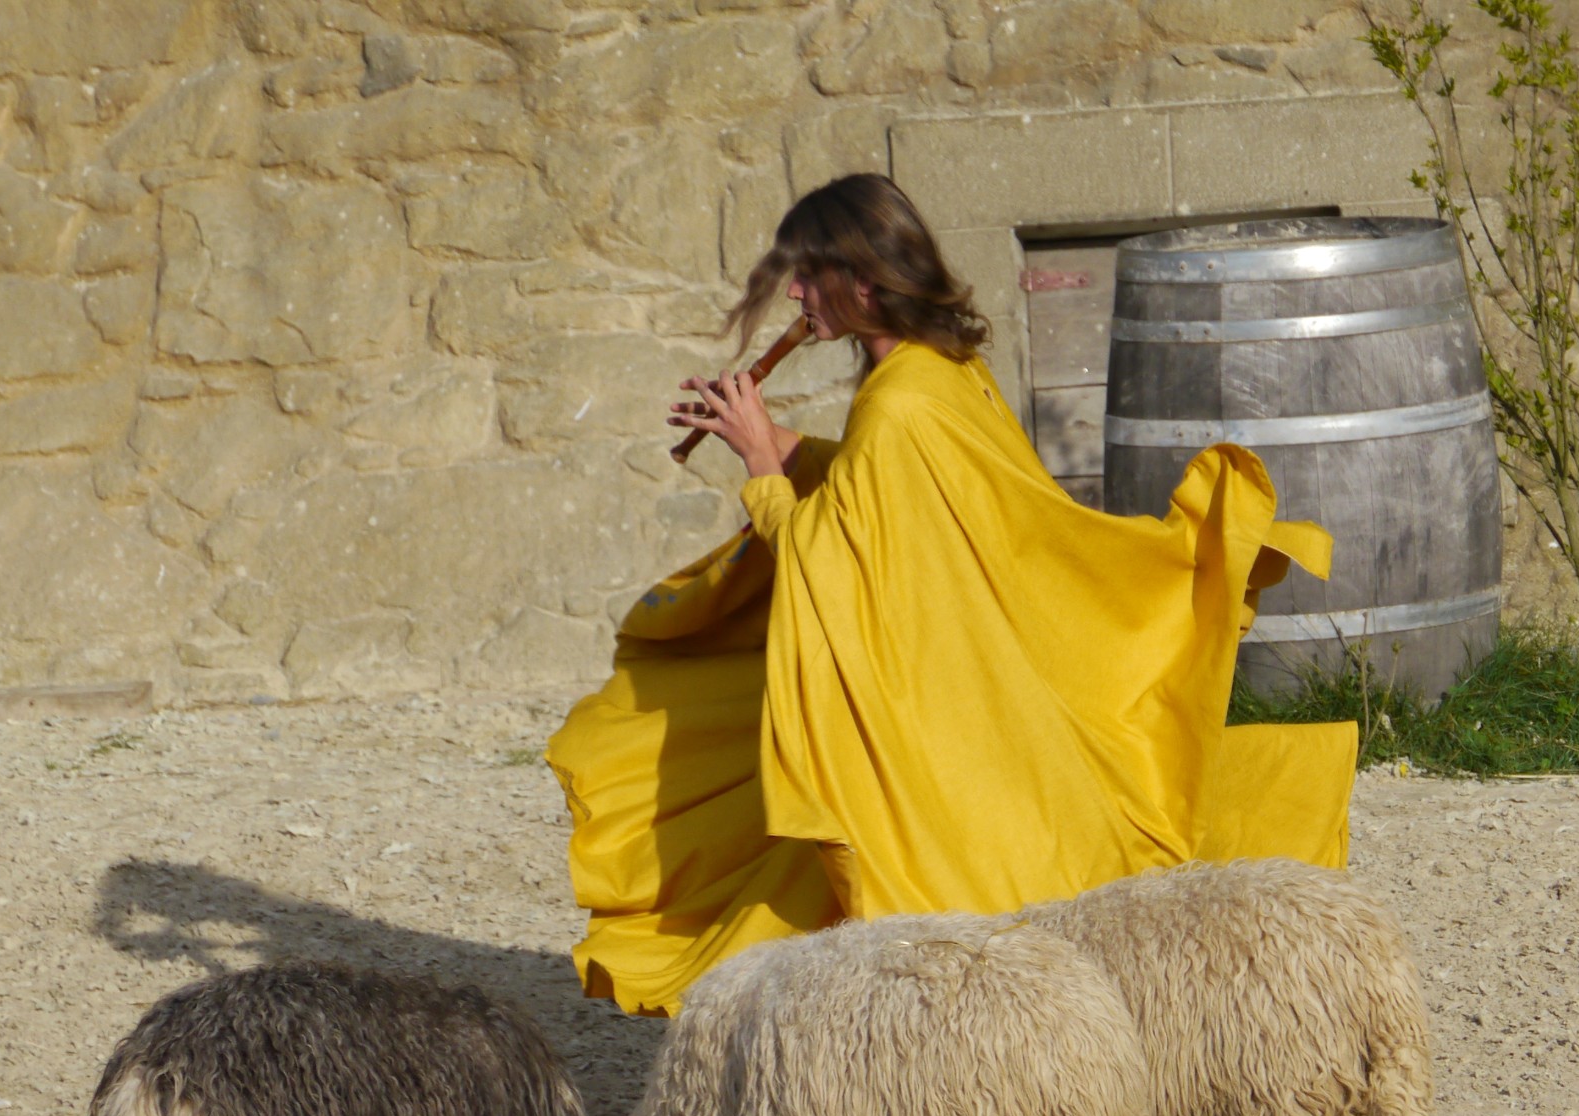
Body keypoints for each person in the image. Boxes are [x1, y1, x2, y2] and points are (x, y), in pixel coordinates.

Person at [545, 173, 1357, 1017]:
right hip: (967, 663)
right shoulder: (944, 373)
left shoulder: (898, 406)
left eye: (809, 273)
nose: (793, 294)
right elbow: (886, 493)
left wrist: (758, 465)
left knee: (925, 869)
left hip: (941, 685)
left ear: (863, 282)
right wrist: (772, 438)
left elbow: (829, 560)